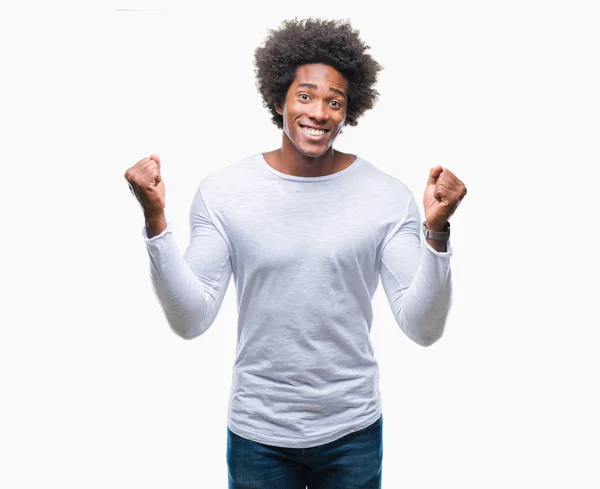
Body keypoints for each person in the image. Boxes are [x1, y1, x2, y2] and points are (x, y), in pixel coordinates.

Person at [124, 17, 467, 489]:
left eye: (334, 101)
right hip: (258, 433)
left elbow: (422, 327)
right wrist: (155, 219)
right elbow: (191, 319)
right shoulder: (226, 191)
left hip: (353, 430)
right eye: (305, 95)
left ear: (349, 112)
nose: (319, 112)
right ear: (278, 99)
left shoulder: (385, 196)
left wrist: (437, 232)